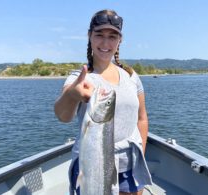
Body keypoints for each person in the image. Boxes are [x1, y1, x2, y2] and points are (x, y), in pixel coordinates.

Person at [54, 9, 152, 195]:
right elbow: (62, 115)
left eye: (112, 37)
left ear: (119, 40)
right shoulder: (80, 78)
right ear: (89, 36)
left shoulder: (131, 76)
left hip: (130, 163)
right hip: (90, 164)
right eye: (99, 35)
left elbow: (142, 118)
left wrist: (141, 154)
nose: (105, 43)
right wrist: (73, 95)